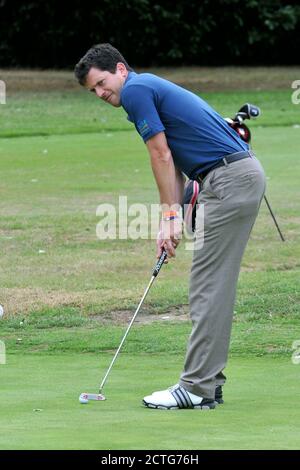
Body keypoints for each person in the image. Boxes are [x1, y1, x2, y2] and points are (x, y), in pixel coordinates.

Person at [74, 43, 266, 410]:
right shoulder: (146, 88)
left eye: (101, 83)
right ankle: (209, 383)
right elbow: (175, 160)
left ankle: (196, 388)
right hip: (232, 178)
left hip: (229, 180)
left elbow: (160, 154)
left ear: (120, 69)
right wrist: (173, 219)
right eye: (92, 91)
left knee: (208, 285)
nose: (100, 94)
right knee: (214, 284)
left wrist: (168, 218)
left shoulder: (136, 91)